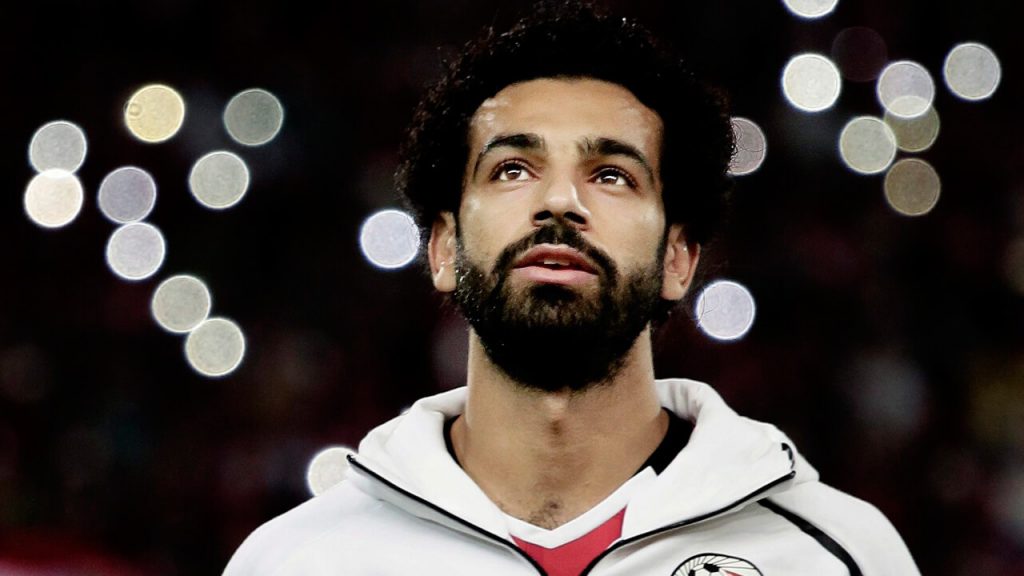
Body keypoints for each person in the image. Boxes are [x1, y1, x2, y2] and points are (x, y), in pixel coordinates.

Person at [224, 2, 920, 574]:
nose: (559, 201)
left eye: (612, 175)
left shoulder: (838, 555)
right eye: (512, 169)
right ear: (442, 249)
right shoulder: (295, 561)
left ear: (679, 259)